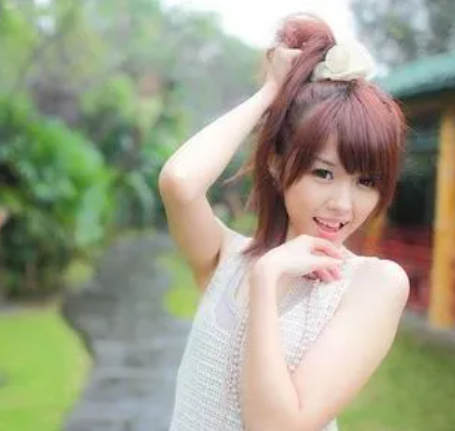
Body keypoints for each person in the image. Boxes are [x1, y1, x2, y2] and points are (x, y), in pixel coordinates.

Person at [158, 14, 408, 431]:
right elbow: (179, 183)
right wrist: (270, 93)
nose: (343, 204)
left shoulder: (371, 285)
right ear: (276, 165)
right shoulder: (226, 258)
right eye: (323, 173)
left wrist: (266, 280)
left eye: (366, 181)